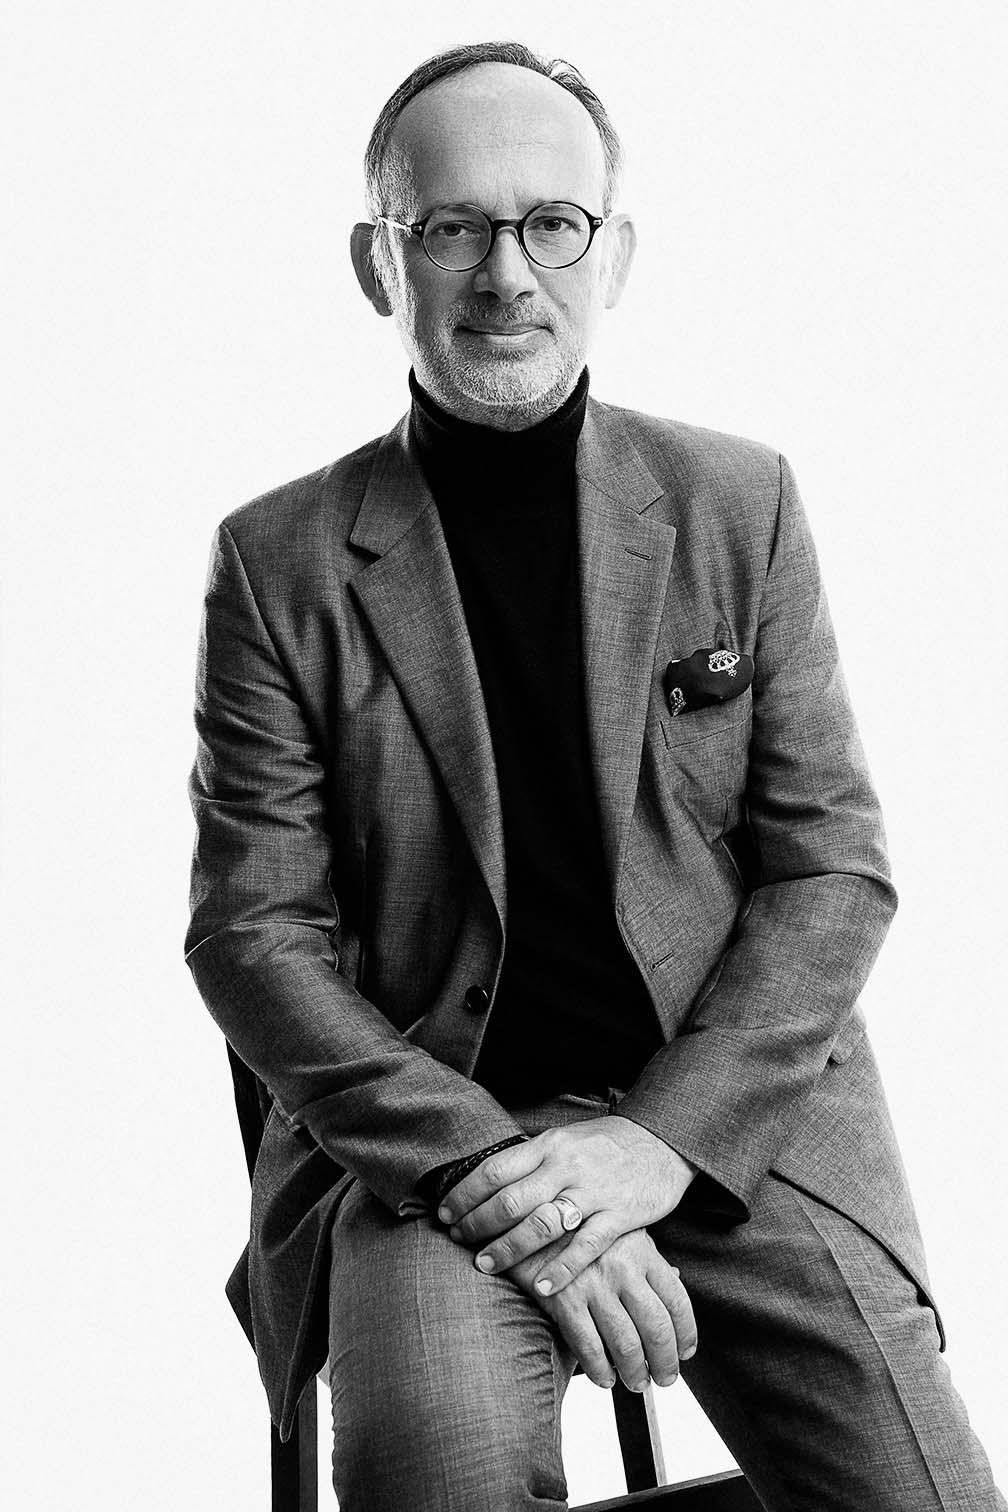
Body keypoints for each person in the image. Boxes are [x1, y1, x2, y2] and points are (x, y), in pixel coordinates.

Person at [184, 40, 1005, 1512]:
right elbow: (253, 937)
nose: (507, 274)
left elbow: (833, 872)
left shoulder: (738, 501)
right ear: (379, 264)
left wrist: (656, 1143)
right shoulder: (278, 560)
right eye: (453, 227)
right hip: (437, 1153)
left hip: (731, 1121)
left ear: (612, 253)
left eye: (551, 224)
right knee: (437, 1473)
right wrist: (492, 1169)